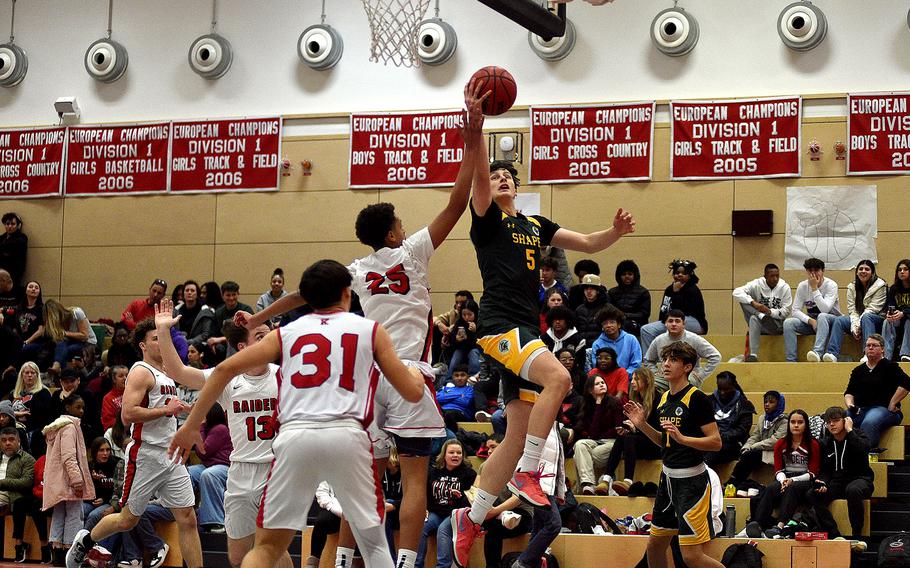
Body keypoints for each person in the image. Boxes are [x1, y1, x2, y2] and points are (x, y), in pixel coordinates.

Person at [241, 83, 488, 568]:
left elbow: (300, 294)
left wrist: (260, 315)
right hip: (410, 374)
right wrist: (472, 139)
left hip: (369, 379)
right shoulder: (414, 251)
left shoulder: (354, 269)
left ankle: (343, 561)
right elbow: (458, 202)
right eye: (399, 221)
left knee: (365, 480)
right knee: (415, 479)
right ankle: (403, 562)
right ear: (395, 232)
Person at [170, 259, 424, 568]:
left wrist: (191, 425)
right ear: (347, 293)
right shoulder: (369, 330)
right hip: (346, 436)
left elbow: (223, 369)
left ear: (308, 299)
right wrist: (417, 376)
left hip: (294, 440)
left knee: (265, 548)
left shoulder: (286, 334)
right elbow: (410, 393)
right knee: (373, 544)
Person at [451, 155, 634, 568]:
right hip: (499, 325)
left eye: (506, 177)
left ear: (517, 187)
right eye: (494, 177)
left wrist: (616, 232)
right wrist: (477, 133)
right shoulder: (486, 219)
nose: (499, 180)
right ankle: (530, 474)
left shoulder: (536, 224)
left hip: (526, 331)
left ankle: (472, 515)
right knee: (560, 379)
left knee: (515, 438)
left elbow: (588, 243)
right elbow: (479, 180)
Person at [155, 298, 291, 568]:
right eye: (261, 337)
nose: (269, 342)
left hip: (276, 471)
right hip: (240, 472)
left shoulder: (284, 375)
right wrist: (162, 331)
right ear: (243, 347)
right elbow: (178, 372)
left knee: (270, 549)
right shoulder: (228, 378)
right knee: (238, 557)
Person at [66, 317, 203, 568]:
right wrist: (166, 411)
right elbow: (127, 415)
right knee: (127, 519)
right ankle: (85, 542)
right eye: (155, 338)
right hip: (146, 454)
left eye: (164, 338)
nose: (162, 343)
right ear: (142, 345)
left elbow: (165, 408)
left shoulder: (168, 374)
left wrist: (183, 409)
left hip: (170, 455)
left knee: (188, 518)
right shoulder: (141, 371)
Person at [623, 341, 723, 568]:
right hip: (667, 480)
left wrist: (683, 439)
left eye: (673, 360)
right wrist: (642, 425)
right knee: (654, 547)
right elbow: (663, 441)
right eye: (664, 359)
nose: (666, 364)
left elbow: (716, 442)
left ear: (687, 367)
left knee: (691, 557)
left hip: (692, 483)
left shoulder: (697, 399)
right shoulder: (664, 399)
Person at [807, 407, 874, 545]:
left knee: (853, 490)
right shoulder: (826, 443)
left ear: (845, 421)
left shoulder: (858, 435)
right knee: (811, 494)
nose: (832, 424)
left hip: (861, 479)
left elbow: (863, 449)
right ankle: (834, 533)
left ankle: (857, 535)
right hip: (837, 482)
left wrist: (850, 431)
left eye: (836, 421)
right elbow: (826, 470)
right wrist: (823, 482)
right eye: (828, 422)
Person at [750, 410, 820, 537]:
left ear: (806, 425)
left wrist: (793, 481)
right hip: (785, 477)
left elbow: (813, 473)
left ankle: (780, 525)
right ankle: (756, 525)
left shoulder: (813, 444)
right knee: (771, 488)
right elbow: (778, 469)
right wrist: (783, 481)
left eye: (800, 422)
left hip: (805, 480)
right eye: (793, 422)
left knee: (791, 488)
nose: (796, 425)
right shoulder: (781, 443)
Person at [43, 395, 94, 566]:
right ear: (67, 408)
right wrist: (77, 481)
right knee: (74, 516)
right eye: (78, 407)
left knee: (59, 515)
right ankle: (69, 554)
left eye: (83, 407)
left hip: (57, 481)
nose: (81, 411)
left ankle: (57, 554)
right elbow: (69, 457)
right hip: (69, 480)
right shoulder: (70, 427)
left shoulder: (57, 426)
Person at [416, 440, 476, 568]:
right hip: (435, 512)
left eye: (459, 453)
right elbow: (424, 492)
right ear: (444, 455)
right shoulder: (433, 472)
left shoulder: (469, 473)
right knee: (420, 527)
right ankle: (416, 565)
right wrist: (423, 508)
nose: (456, 455)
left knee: (443, 529)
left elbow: (473, 497)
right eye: (451, 452)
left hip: (456, 515)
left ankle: (443, 566)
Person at [844, 333, 910, 449]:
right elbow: (849, 392)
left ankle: (866, 452)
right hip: (860, 409)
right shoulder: (858, 370)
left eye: (874, 345)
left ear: (883, 349)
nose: (870, 348)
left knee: (869, 421)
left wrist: (893, 402)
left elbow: (907, 383)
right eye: (868, 345)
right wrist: (850, 405)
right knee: (841, 418)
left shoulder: (891, 367)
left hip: (885, 410)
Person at [604, 368, 661, 495]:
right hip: (639, 444)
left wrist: (636, 429)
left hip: (656, 445)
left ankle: (628, 480)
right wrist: (627, 428)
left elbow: (657, 429)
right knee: (623, 437)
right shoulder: (635, 399)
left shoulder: (658, 399)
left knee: (630, 438)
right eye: (632, 379)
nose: (632, 382)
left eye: (636, 379)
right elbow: (634, 428)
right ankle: (606, 479)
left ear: (646, 381)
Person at [823, 259, 886, 362]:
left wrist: (858, 325)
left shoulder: (880, 286)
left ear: (873, 272)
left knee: (866, 317)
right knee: (839, 320)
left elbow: (873, 309)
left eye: (867, 269)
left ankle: (867, 354)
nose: (863, 271)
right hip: (860, 319)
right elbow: (852, 310)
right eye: (860, 269)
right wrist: (855, 326)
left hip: (876, 319)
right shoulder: (852, 287)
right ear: (857, 272)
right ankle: (832, 354)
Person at [642, 309, 721, 392]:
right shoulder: (659, 340)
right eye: (670, 321)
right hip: (666, 377)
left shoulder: (694, 339)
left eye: (677, 321)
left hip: (688, 376)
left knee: (684, 385)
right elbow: (648, 360)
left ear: (683, 324)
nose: (674, 324)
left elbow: (715, 356)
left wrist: (701, 375)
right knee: (646, 385)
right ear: (665, 324)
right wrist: (655, 373)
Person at [639, 260, 708, 354]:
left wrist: (676, 293)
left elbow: (681, 311)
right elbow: (664, 308)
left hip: (695, 321)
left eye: (683, 273)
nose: (679, 275)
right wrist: (664, 321)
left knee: (676, 322)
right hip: (672, 320)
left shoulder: (693, 289)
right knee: (646, 330)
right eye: (677, 273)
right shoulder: (669, 289)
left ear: (689, 275)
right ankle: (649, 360)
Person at [782, 258, 842, 362]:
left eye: (816, 270)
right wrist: (810, 321)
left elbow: (825, 310)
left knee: (822, 316)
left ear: (823, 271)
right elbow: (795, 310)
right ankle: (791, 360)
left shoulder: (831, 285)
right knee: (788, 323)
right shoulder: (803, 286)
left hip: (832, 322)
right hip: (814, 323)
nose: (813, 274)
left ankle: (817, 353)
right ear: (806, 271)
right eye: (810, 271)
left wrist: (814, 288)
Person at [573, 374, 624, 495]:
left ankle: (585, 486)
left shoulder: (615, 402)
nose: (602, 385)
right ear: (590, 390)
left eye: (603, 382)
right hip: (596, 442)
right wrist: (598, 404)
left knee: (579, 457)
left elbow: (618, 429)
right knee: (580, 444)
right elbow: (593, 434)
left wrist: (601, 435)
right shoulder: (587, 405)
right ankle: (589, 484)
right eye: (597, 384)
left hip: (613, 443)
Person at [726, 391, 788, 488]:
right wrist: (746, 447)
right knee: (746, 454)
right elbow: (755, 436)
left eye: (771, 402)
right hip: (762, 450)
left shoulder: (784, 422)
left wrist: (754, 447)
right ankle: (737, 483)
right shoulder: (762, 419)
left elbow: (775, 441)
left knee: (751, 454)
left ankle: (732, 482)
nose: (767, 404)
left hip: (777, 453)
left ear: (779, 404)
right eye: (765, 402)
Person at [732, 263, 792, 362]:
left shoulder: (784, 287)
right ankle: (753, 355)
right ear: (765, 276)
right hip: (759, 321)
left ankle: (761, 316)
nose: (775, 279)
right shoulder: (757, 284)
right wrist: (754, 303)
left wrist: (769, 312)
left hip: (776, 324)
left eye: (777, 275)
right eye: (772, 276)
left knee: (754, 317)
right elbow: (736, 292)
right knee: (746, 304)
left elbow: (786, 311)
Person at [186, 404, 232, 534]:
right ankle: (188, 513)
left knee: (209, 475)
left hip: (226, 467)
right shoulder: (208, 429)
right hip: (210, 465)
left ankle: (216, 521)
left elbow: (203, 451)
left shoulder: (220, 429)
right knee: (187, 473)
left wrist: (199, 426)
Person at [0, 425, 42, 563]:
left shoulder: (27, 459)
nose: (7, 443)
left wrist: (2, 483)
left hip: (15, 496)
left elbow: (26, 482)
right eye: (4, 440)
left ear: (18, 441)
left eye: (11, 439)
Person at [705, 371, 754, 467]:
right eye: (720, 389)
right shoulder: (708, 401)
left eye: (726, 389)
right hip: (710, 440)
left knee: (712, 454)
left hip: (732, 444)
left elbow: (742, 430)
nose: (722, 393)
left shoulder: (744, 405)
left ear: (733, 386)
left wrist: (723, 436)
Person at [43, 299, 97, 378]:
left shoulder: (77, 313)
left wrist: (65, 333)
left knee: (67, 350)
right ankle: (57, 366)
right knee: (59, 345)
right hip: (70, 342)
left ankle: (62, 373)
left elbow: (85, 336)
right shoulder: (58, 323)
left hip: (87, 342)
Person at [586, 305, 642, 376]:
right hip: (606, 381)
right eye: (605, 323)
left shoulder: (631, 339)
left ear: (619, 324)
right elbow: (597, 366)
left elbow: (636, 364)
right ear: (602, 327)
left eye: (612, 322)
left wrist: (622, 376)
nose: (608, 325)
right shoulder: (597, 344)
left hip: (628, 379)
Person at [11, 361, 52, 457]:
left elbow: (43, 415)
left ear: (37, 375)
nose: (30, 375)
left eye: (33, 373)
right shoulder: (14, 394)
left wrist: (23, 415)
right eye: (27, 373)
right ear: (22, 375)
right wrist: (17, 414)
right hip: (14, 431)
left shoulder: (43, 393)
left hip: (35, 433)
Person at [83, 438, 119, 532]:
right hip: (92, 501)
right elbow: (84, 491)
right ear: (95, 452)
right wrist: (95, 481)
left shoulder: (118, 464)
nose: (105, 453)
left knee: (93, 516)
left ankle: (83, 543)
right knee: (79, 512)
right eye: (101, 450)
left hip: (110, 502)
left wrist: (104, 499)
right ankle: (72, 542)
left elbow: (119, 490)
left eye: (108, 450)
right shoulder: (90, 466)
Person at [608, 259, 651, 337]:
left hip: (637, 324)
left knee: (629, 325)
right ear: (619, 276)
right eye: (624, 274)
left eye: (630, 274)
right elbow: (609, 311)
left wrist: (626, 315)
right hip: (616, 323)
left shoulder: (643, 292)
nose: (627, 277)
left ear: (635, 275)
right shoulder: (612, 292)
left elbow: (644, 314)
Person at [174, 280, 217, 348]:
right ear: (183, 294)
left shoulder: (205, 311)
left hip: (198, 347)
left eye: (192, 290)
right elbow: (173, 330)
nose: (189, 293)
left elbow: (205, 334)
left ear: (197, 294)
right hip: (178, 345)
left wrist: (188, 342)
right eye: (187, 290)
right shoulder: (176, 311)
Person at [882, 259, 910, 361]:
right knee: (887, 321)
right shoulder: (894, 289)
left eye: (905, 269)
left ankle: (906, 354)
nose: (902, 272)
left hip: (907, 319)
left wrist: (904, 313)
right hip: (898, 319)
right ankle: (886, 356)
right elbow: (889, 305)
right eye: (899, 270)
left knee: (908, 321)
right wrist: (889, 314)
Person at [447, 300, 481, 380]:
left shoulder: (480, 323)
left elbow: (482, 343)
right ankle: (449, 380)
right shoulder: (459, 323)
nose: (466, 317)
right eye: (464, 315)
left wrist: (474, 332)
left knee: (473, 354)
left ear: (475, 313)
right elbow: (452, 343)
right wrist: (457, 339)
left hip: (475, 349)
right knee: (457, 355)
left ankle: (473, 378)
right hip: (462, 349)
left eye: (470, 314)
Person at [17, 280, 48, 366]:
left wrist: (26, 342)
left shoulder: (42, 309)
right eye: (30, 287)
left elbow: (40, 330)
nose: (33, 289)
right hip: (21, 340)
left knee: (24, 350)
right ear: (26, 291)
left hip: (36, 342)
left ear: (39, 292)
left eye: (36, 288)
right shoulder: (20, 308)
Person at [437, 365, 475, 432]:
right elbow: (438, 399)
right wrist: (459, 395)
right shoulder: (446, 388)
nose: (459, 378)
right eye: (456, 375)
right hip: (443, 411)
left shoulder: (470, 389)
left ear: (467, 377)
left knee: (449, 414)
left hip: (460, 413)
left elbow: (465, 402)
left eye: (462, 375)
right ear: (452, 377)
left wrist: (447, 397)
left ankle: (454, 437)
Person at [574, 274, 608, 347]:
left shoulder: (606, 308)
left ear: (598, 291)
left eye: (592, 288)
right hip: (582, 348)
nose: (588, 292)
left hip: (601, 348)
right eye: (586, 289)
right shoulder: (579, 309)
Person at [0, 212, 27, 288]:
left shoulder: (22, 238)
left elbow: (12, 249)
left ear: (18, 225)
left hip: (14, 274)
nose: (10, 226)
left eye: (13, 224)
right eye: (7, 224)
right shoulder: (2, 238)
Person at [101, 365, 128, 431]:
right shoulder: (108, 398)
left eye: (127, 375)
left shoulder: (135, 392)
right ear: (114, 379)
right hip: (119, 432)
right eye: (121, 376)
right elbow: (108, 422)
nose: (125, 378)